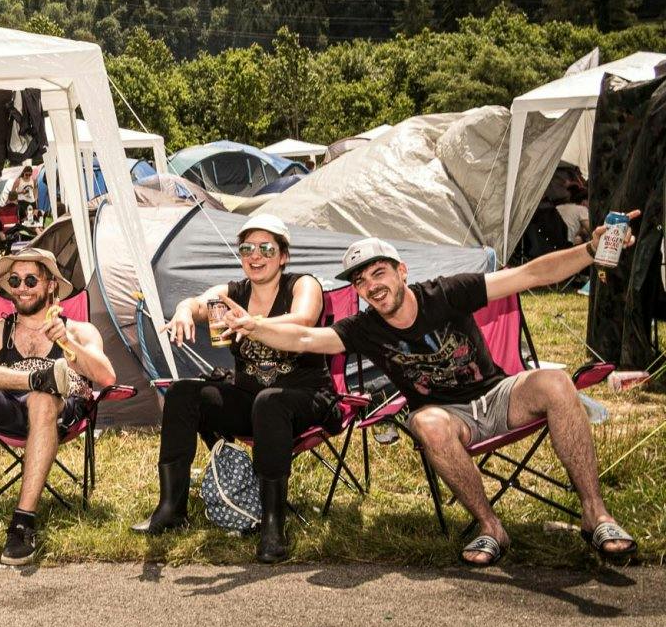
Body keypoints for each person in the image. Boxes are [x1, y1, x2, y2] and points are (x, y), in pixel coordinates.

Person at [226, 220, 642, 566]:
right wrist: (254, 326)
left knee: (555, 381)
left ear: (402, 271)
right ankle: (490, 528)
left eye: (379, 272)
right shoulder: (364, 329)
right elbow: (303, 337)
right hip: (448, 419)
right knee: (424, 421)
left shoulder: (447, 293)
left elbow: (530, 274)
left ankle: (596, 514)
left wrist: (590, 249)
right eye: (360, 281)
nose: (371, 286)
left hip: (498, 396)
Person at [138, 215, 332, 563]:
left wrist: (253, 324)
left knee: (270, 402)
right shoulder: (234, 292)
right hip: (249, 399)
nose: (255, 256)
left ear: (283, 255)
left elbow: (303, 320)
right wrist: (184, 310)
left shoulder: (303, 285)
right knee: (184, 394)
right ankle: (170, 508)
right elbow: (200, 302)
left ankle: (273, 525)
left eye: (265, 248)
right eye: (246, 248)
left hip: (303, 400)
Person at [0, 247, 114, 563]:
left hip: (57, 413)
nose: (21, 288)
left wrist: (66, 342)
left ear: (51, 284)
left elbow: (106, 376)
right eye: (15, 280)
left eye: (30, 280)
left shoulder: (80, 330)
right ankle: (34, 380)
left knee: (43, 398)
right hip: (9, 407)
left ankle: (22, 522)